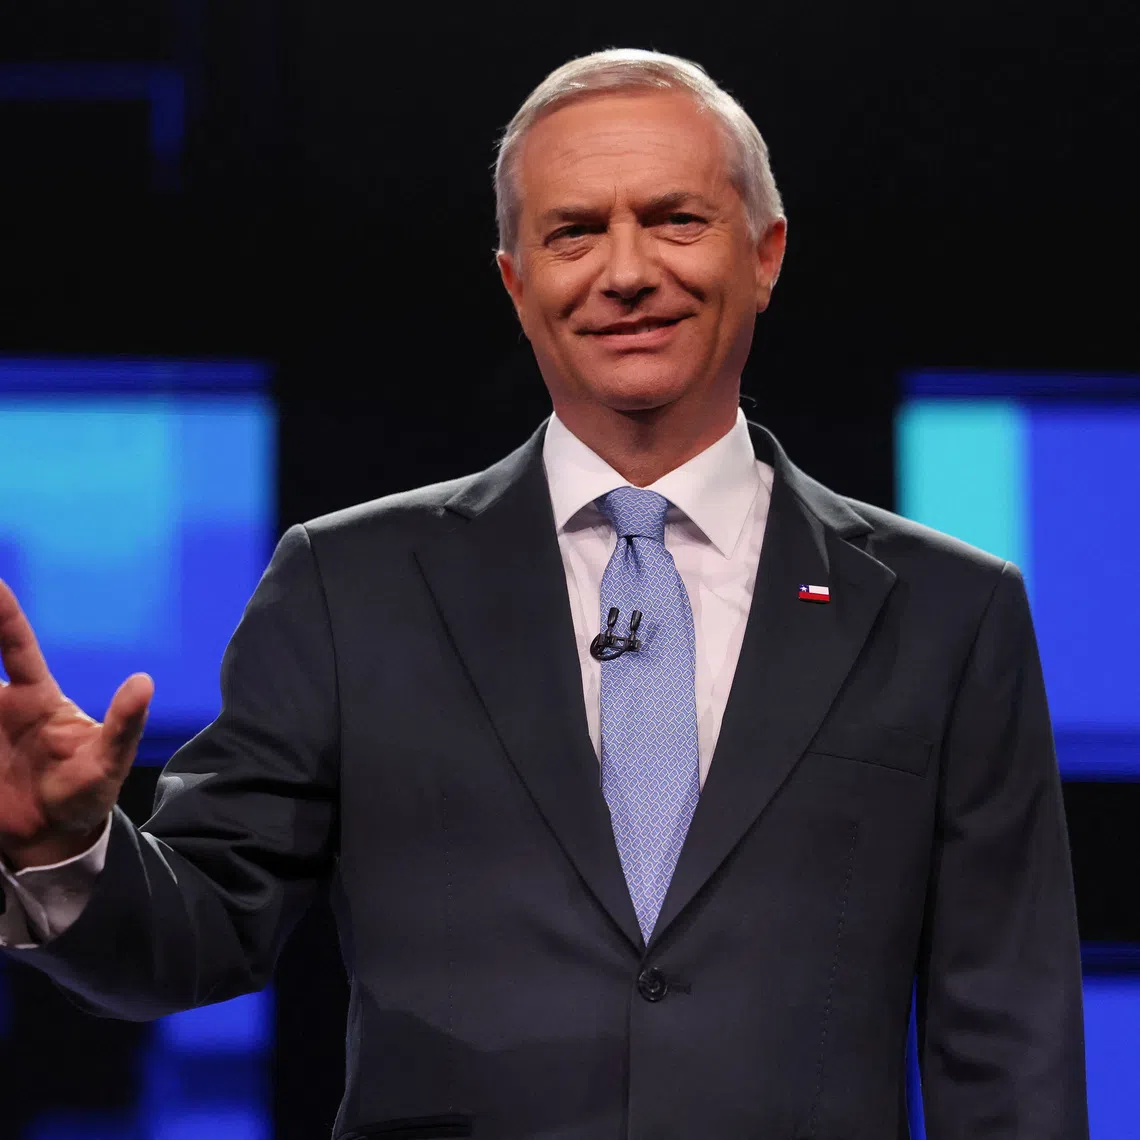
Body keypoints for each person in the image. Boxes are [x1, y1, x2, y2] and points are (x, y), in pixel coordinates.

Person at [0, 48, 1088, 1140]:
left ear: (767, 255)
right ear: (518, 284)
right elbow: (205, 927)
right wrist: (65, 850)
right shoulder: (348, 585)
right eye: (573, 232)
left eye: (674, 220)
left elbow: (1009, 1042)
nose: (624, 272)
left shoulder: (950, 612)